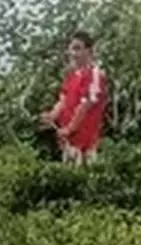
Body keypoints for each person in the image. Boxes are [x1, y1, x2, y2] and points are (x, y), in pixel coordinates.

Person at [40, 31, 108, 166]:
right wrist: (52, 115)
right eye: (71, 49)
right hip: (68, 142)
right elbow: (63, 100)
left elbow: (86, 105)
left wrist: (69, 129)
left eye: (77, 49)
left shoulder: (95, 74)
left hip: (85, 145)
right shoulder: (72, 76)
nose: (73, 53)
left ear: (89, 51)